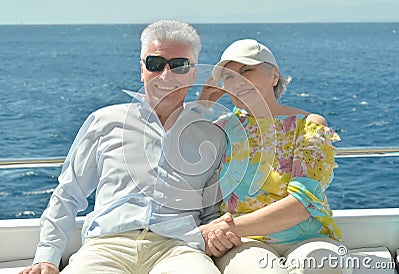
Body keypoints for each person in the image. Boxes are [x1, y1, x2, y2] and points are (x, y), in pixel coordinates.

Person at [19, 20, 240, 274]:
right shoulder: (104, 122)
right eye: (155, 65)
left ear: (192, 73)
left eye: (179, 66)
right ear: (142, 70)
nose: (166, 75)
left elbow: (211, 211)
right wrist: (46, 256)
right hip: (106, 248)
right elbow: (69, 194)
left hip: (179, 250)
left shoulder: (212, 135)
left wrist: (217, 235)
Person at [198, 39, 352, 273]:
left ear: (274, 76)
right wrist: (203, 104)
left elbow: (302, 204)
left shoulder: (309, 126)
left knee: (323, 267)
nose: (238, 81)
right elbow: (172, 150)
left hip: (307, 237)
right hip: (246, 242)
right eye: (228, 77)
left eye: (246, 70)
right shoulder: (221, 129)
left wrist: (226, 228)